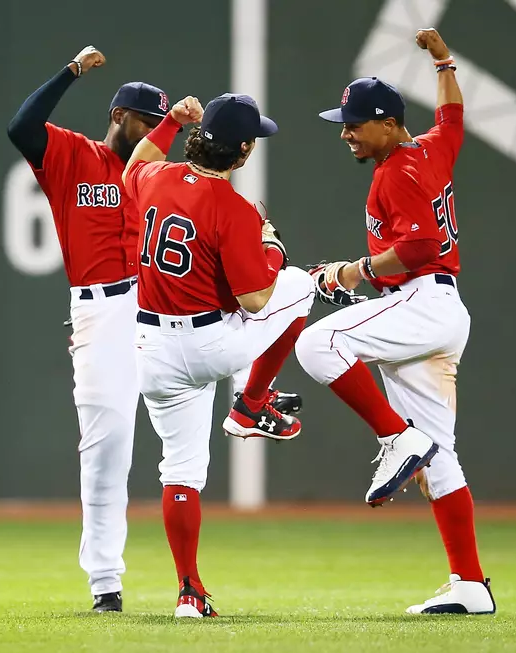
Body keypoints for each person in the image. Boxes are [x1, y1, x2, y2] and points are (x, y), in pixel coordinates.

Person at [294, 28, 495, 615]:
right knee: (441, 457)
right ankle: (470, 585)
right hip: (433, 307)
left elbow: (419, 246)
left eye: (355, 123)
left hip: (422, 299)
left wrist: (352, 273)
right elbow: (454, 118)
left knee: (318, 342)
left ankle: (395, 437)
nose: (347, 132)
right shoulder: (430, 149)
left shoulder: (397, 171)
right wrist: (444, 61)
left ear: (387, 123)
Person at [122, 93, 316, 617]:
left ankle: (189, 591)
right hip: (211, 345)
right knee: (300, 284)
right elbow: (257, 299)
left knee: (179, 472)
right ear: (244, 152)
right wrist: (270, 244)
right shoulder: (232, 207)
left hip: (150, 349)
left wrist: (167, 122)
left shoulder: (154, 179)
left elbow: (135, 163)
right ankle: (252, 404)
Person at [6, 45, 170, 613]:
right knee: (107, 451)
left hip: (159, 308)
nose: (152, 132)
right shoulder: (74, 156)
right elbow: (21, 126)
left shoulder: (156, 174)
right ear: (120, 116)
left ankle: (253, 400)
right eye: (147, 121)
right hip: (100, 312)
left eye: (160, 125)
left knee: (187, 434)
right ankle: (106, 583)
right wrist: (70, 71)